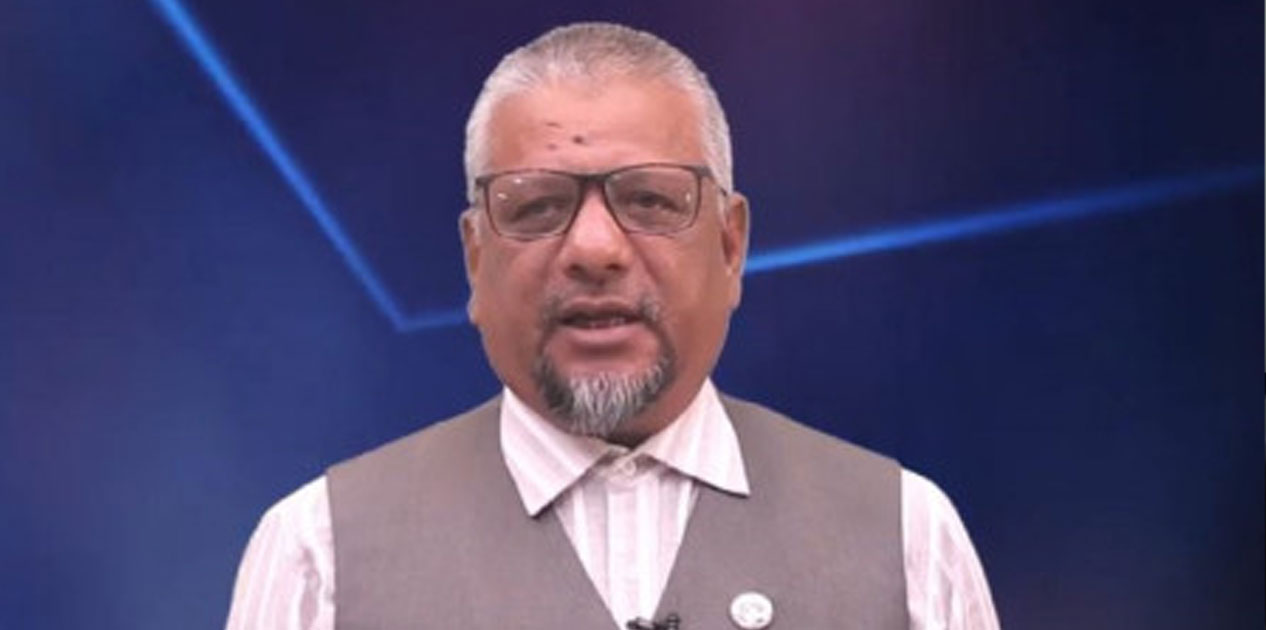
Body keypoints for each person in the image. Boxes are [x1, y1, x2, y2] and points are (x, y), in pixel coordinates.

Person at [225, 22, 1000, 630]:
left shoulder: (905, 538)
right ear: (475, 257)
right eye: (537, 205)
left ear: (731, 246)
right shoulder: (320, 555)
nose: (594, 250)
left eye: (651, 200)